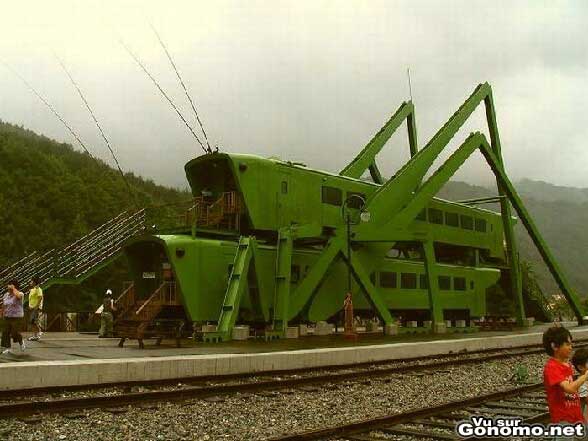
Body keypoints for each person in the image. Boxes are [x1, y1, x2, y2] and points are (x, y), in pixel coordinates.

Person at [543, 326, 588, 428]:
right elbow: (570, 389)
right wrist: (585, 375)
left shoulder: (566, 365)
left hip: (575, 415)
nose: (571, 347)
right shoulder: (551, 367)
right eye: (567, 344)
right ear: (555, 346)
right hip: (563, 418)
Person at [1, 280, 26, 354]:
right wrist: (2, 313)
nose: (8, 286)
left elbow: (18, 296)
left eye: (10, 285)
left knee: (14, 332)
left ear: (15, 286)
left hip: (17, 317)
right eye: (8, 285)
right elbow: (4, 304)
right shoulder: (6, 295)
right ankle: (8, 347)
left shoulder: (20, 294)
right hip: (7, 316)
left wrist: (14, 289)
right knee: (5, 332)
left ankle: (21, 341)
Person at [27, 276, 44, 341]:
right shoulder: (33, 289)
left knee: (33, 321)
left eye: (31, 281)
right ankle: (36, 335)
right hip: (32, 308)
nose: (30, 282)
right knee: (33, 322)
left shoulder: (38, 289)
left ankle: (37, 333)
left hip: (35, 308)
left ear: (34, 282)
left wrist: (36, 307)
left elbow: (40, 297)